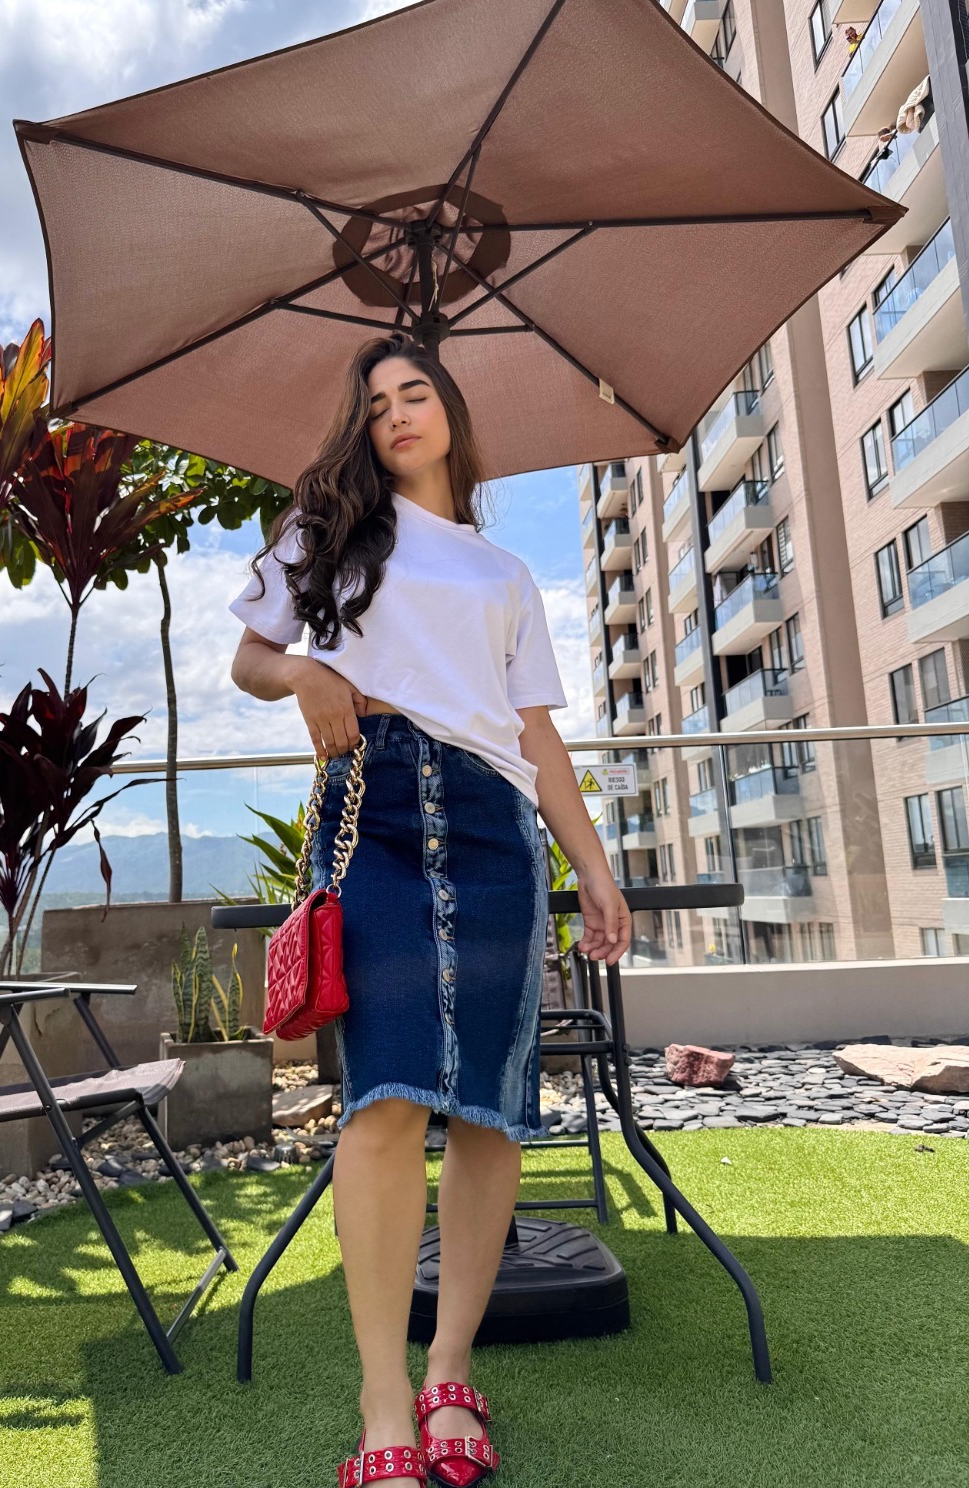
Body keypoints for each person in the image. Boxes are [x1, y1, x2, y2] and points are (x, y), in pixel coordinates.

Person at [228, 330, 632, 1487]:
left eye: (415, 392)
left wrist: (593, 867)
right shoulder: (326, 529)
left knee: (491, 1113)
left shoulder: (505, 575)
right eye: (375, 404)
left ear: (449, 408)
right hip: (376, 817)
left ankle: (451, 1367)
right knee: (387, 1099)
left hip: (498, 827)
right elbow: (251, 658)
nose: (397, 414)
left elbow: (536, 734)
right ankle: (383, 1398)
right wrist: (306, 672)